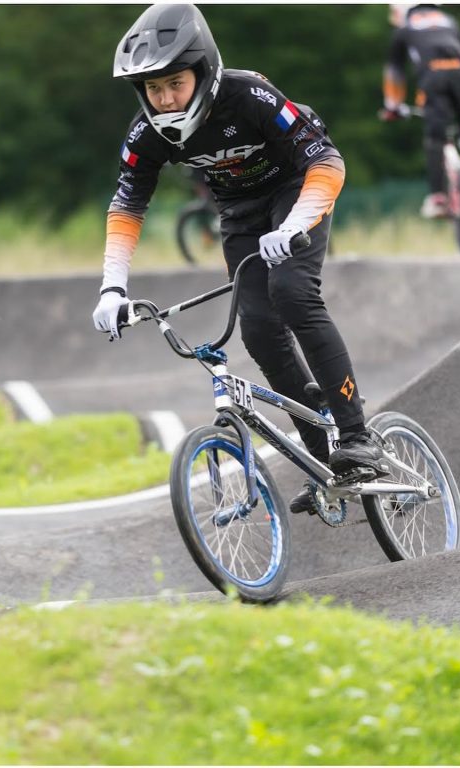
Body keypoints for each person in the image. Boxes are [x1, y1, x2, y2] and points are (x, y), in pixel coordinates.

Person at [92, 3, 389, 514]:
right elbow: (127, 204)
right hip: (239, 212)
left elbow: (326, 159)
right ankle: (322, 463)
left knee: (292, 293)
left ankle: (358, 436)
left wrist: (296, 225)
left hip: (296, 191)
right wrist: (112, 287)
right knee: (257, 329)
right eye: (153, 90)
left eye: (175, 84)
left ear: (203, 71)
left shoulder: (248, 93)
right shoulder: (146, 133)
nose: (164, 100)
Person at [383, 3, 460, 219]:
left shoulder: (404, 30)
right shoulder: (449, 23)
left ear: (403, 12)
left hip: (433, 79)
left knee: (435, 137)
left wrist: (393, 106)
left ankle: (438, 198)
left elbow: (394, 72)